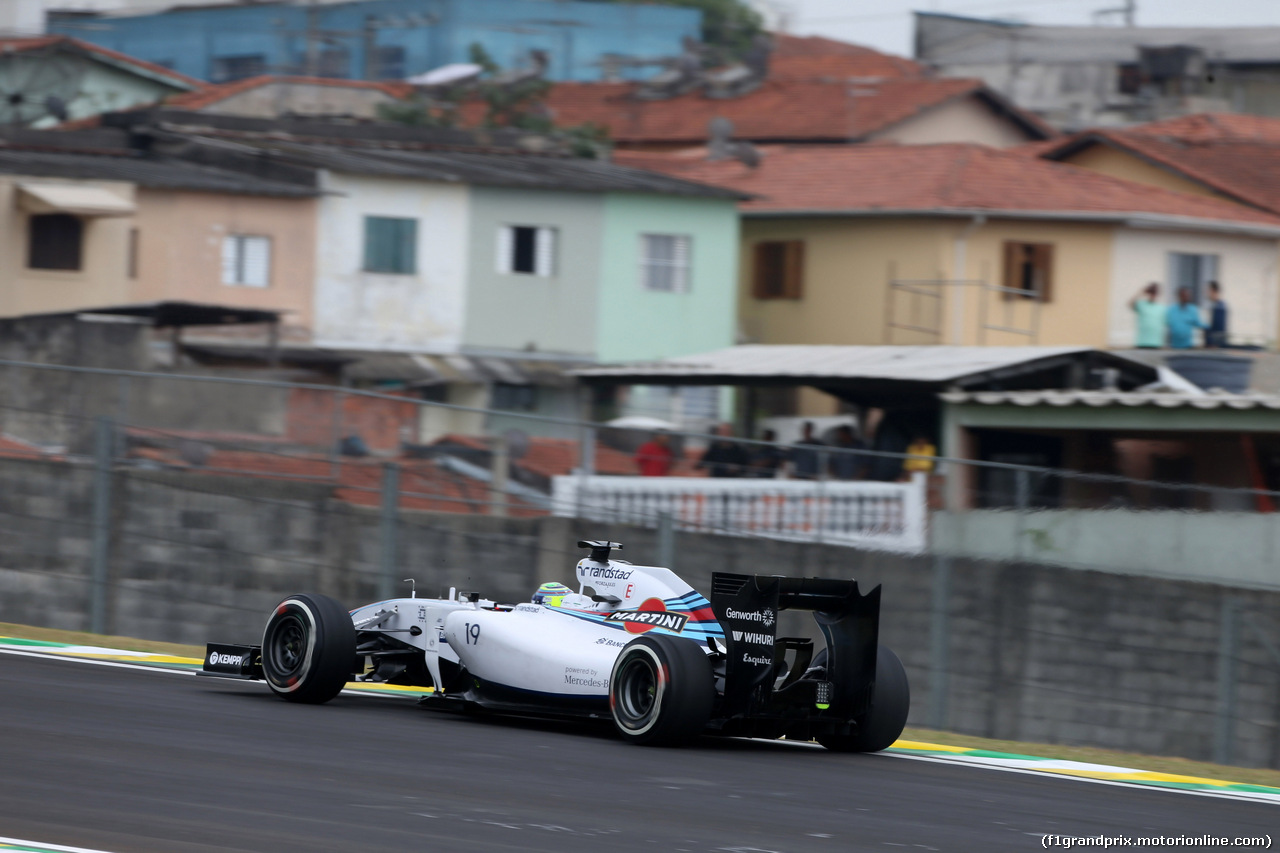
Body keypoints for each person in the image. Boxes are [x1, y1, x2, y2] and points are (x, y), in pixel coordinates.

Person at [1129, 283, 1164, 348]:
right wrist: (1141, 292)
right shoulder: (1141, 304)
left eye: (1155, 292)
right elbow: (1130, 304)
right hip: (1141, 342)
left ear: (1158, 294)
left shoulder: (1162, 308)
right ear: (1148, 293)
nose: (1153, 294)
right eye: (1151, 292)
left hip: (1156, 343)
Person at [1206, 281, 1229, 348]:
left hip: (1216, 347)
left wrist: (1214, 343)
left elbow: (1219, 329)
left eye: (1208, 291)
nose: (1207, 293)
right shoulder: (1214, 305)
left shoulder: (1219, 307)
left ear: (1213, 291)